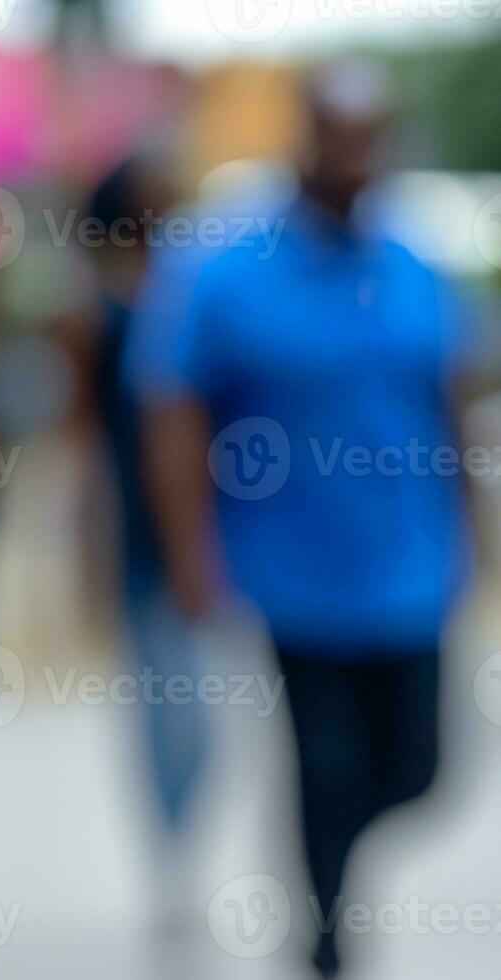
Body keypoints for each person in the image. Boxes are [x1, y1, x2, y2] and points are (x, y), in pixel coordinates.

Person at [139, 60, 473, 978]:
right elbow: (174, 414)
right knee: (320, 765)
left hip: (407, 561)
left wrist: (479, 536)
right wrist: (188, 553)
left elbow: (453, 403)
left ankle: (332, 865)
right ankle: (326, 933)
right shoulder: (224, 269)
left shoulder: (413, 264)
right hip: (288, 565)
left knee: (417, 767)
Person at [79, 155, 212, 923]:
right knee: (170, 708)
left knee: (208, 716)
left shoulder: (205, 293)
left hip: (217, 535)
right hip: (139, 535)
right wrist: (88, 542)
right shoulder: (98, 310)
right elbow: (84, 443)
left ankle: (183, 836)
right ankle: (170, 849)